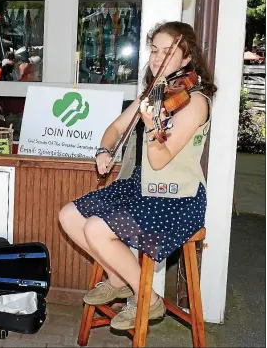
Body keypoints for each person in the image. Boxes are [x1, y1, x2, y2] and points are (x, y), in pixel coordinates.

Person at [59, 21, 217, 331]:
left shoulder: (195, 102)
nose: (157, 58)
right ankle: (119, 279)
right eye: (154, 51)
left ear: (187, 59)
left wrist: (153, 126)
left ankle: (149, 299)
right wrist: (103, 152)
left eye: (167, 52)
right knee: (68, 216)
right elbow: (115, 129)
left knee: (97, 228)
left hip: (177, 197)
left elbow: (159, 160)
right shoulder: (156, 93)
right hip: (140, 187)